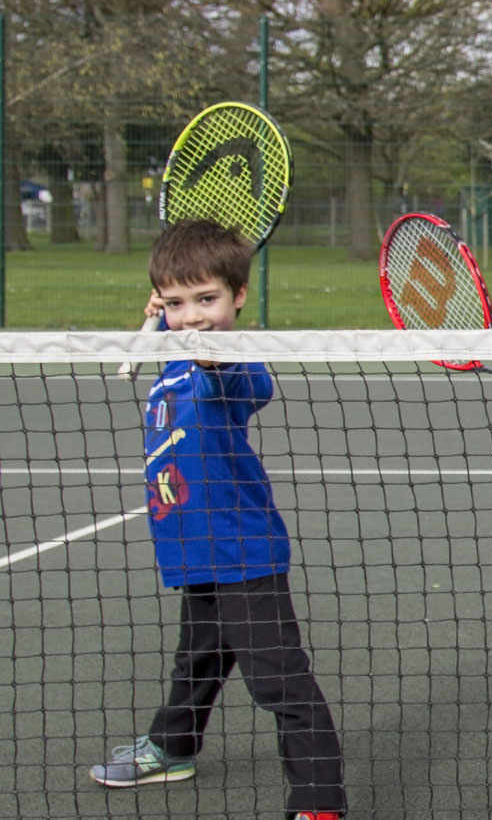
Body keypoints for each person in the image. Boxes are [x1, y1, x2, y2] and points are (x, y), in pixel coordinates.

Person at [88, 218, 345, 820]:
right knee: (198, 657)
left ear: (238, 296)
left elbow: (245, 382)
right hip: (192, 547)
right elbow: (172, 331)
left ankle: (319, 800)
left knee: (280, 682)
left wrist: (210, 354)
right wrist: (158, 321)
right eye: (177, 302)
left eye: (207, 299)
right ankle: (173, 746)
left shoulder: (229, 362)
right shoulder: (171, 356)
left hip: (239, 551)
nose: (193, 315)